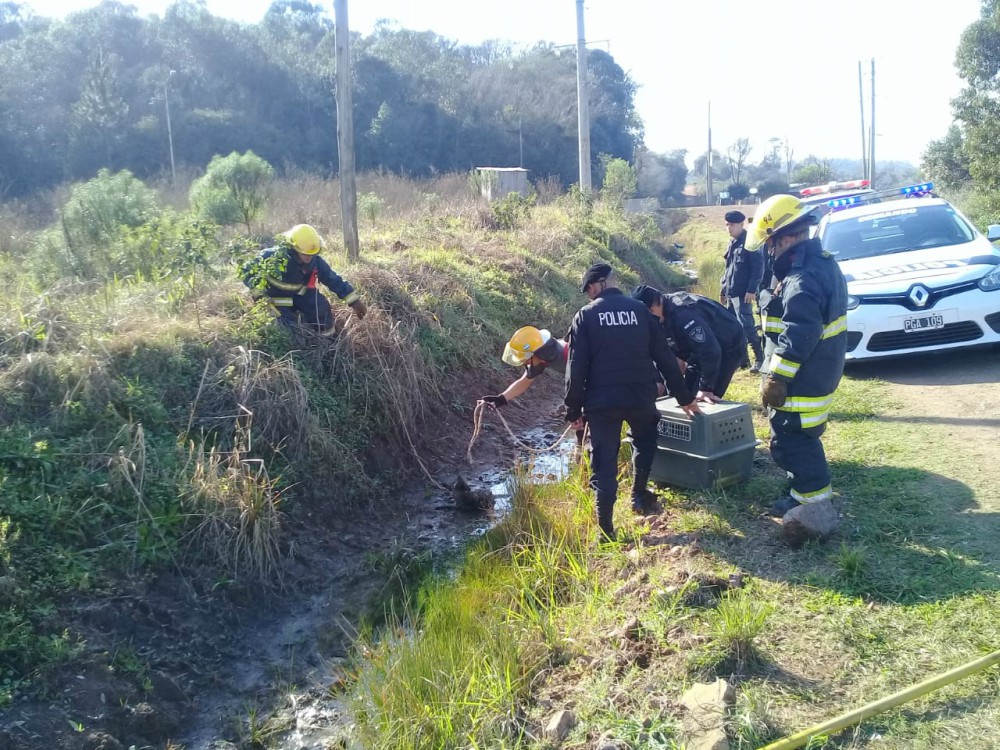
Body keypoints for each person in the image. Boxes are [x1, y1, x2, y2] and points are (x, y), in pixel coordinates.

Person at [565, 263, 701, 543]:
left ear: (600, 284)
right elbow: (665, 358)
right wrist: (684, 397)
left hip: (602, 402)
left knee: (604, 462)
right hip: (640, 395)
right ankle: (639, 494)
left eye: (590, 288)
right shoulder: (641, 311)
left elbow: (576, 368)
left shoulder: (586, 316)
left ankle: (606, 532)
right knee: (645, 441)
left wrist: (573, 410)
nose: (589, 294)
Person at [747, 194, 848, 546]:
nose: (769, 251)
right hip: (820, 371)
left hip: (803, 377)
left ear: (786, 237)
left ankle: (813, 507)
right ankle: (803, 492)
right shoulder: (819, 264)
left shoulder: (802, 279)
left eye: (771, 243)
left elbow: (797, 336)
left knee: (794, 439)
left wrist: (777, 378)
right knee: (802, 435)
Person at [241, 224, 366, 334]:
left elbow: (332, 279)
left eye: (312, 254)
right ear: (293, 248)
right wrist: (259, 295)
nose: (309, 258)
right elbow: (246, 271)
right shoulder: (271, 257)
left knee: (321, 308)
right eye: (305, 254)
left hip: (302, 296)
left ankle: (326, 344)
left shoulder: (315, 260)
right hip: (276, 299)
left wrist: (354, 301)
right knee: (286, 327)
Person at [630, 285, 746, 403]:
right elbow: (659, 354)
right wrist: (664, 384)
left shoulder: (683, 315)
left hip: (727, 345)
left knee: (705, 399)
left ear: (653, 308)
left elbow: (710, 351)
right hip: (695, 350)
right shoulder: (656, 317)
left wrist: (706, 388)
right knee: (686, 397)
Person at [480, 326, 569, 408]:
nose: (525, 363)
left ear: (538, 353)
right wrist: (502, 398)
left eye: (526, 359)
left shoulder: (568, 353)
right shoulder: (542, 357)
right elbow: (525, 380)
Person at [720, 210, 765, 372]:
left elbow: (758, 268)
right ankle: (743, 360)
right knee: (733, 328)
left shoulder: (749, 243)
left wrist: (752, 290)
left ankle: (760, 359)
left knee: (748, 327)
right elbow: (728, 270)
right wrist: (723, 290)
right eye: (727, 225)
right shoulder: (733, 243)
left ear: (741, 224)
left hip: (743, 294)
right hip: (732, 293)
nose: (729, 228)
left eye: (732, 225)